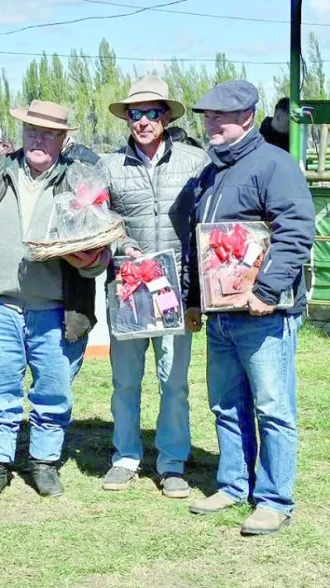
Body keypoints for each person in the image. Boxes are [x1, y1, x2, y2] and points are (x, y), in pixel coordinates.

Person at [185, 81, 315, 536]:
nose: (210, 124)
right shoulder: (211, 172)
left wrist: (268, 290)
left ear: (245, 117)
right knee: (224, 404)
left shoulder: (274, 164)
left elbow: (296, 231)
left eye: (219, 117)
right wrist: (195, 301)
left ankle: (275, 498)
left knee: (273, 407)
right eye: (206, 117)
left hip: (263, 314)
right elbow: (198, 244)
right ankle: (234, 484)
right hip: (222, 315)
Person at [0, 99, 109, 504]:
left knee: (53, 388)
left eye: (48, 133)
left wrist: (91, 259)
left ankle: (44, 462)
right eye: (32, 131)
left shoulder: (81, 180)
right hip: (4, 305)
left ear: (63, 139)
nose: (38, 139)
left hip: (55, 306)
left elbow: (99, 247)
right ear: (22, 133)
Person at [97, 75, 209, 498]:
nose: (143, 121)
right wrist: (123, 245)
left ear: (165, 116)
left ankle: (173, 461)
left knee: (174, 381)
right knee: (125, 380)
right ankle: (125, 457)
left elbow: (205, 220)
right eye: (135, 113)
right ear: (127, 119)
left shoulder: (194, 163)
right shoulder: (108, 166)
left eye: (151, 113)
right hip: (127, 290)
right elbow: (99, 220)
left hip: (175, 292)